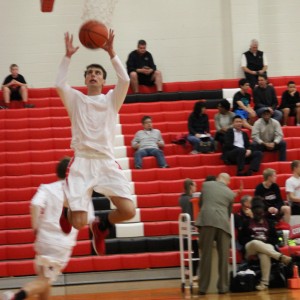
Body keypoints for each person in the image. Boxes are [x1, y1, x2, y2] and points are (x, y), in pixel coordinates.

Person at [55, 31, 136, 256]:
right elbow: (59, 83)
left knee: (129, 210)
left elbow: (126, 80)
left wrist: (111, 53)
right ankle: (65, 209)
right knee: (77, 222)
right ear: (85, 79)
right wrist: (68, 56)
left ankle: (101, 226)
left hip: (106, 162)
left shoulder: (111, 99)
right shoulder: (75, 99)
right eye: (89, 72)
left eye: (97, 73)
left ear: (102, 80)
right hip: (82, 162)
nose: (93, 75)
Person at [2, 157, 94, 300]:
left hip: (44, 239)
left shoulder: (47, 187)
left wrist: (35, 227)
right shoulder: (81, 193)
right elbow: (88, 220)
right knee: (44, 281)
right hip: (61, 244)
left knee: (45, 279)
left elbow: (35, 204)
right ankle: (16, 297)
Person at [238, 196, 292, 291]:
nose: (259, 214)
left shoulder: (269, 223)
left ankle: (264, 284)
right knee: (255, 242)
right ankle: (280, 257)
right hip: (251, 248)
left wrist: (264, 242)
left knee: (264, 253)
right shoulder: (247, 222)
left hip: (266, 247)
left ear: (263, 212)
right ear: (254, 212)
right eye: (257, 213)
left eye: (260, 212)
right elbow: (241, 239)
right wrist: (254, 239)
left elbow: (275, 239)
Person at [195, 173, 236, 295]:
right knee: (223, 258)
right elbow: (228, 213)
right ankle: (223, 287)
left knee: (206, 256)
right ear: (228, 182)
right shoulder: (230, 193)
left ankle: (203, 288)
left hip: (207, 221)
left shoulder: (206, 185)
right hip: (223, 224)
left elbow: (200, 204)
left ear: (218, 178)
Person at [178, 179, 199, 280]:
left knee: (193, 251)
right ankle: (193, 272)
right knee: (196, 252)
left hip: (185, 227)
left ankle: (190, 270)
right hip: (193, 227)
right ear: (190, 187)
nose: (196, 188)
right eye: (195, 186)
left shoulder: (182, 198)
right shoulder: (191, 199)